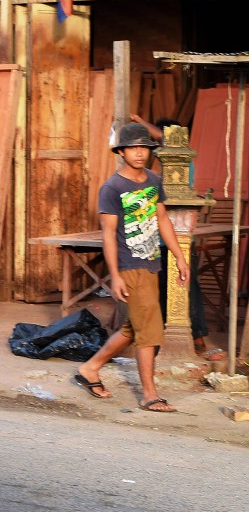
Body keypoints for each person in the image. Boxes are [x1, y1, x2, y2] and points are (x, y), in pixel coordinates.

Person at [74, 122, 190, 413]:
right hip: (129, 265)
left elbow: (162, 219)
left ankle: (91, 368)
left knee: (132, 328)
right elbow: (108, 235)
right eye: (133, 148)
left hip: (151, 263)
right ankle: (150, 395)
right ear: (122, 152)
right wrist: (115, 276)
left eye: (144, 148)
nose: (139, 153)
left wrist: (179, 256)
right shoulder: (112, 188)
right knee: (149, 329)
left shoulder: (153, 180)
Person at [131, 115, 225, 361]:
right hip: (155, 241)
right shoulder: (154, 165)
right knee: (161, 291)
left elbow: (165, 137)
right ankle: (162, 342)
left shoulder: (179, 162)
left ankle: (198, 340)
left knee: (186, 290)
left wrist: (140, 122)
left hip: (176, 240)